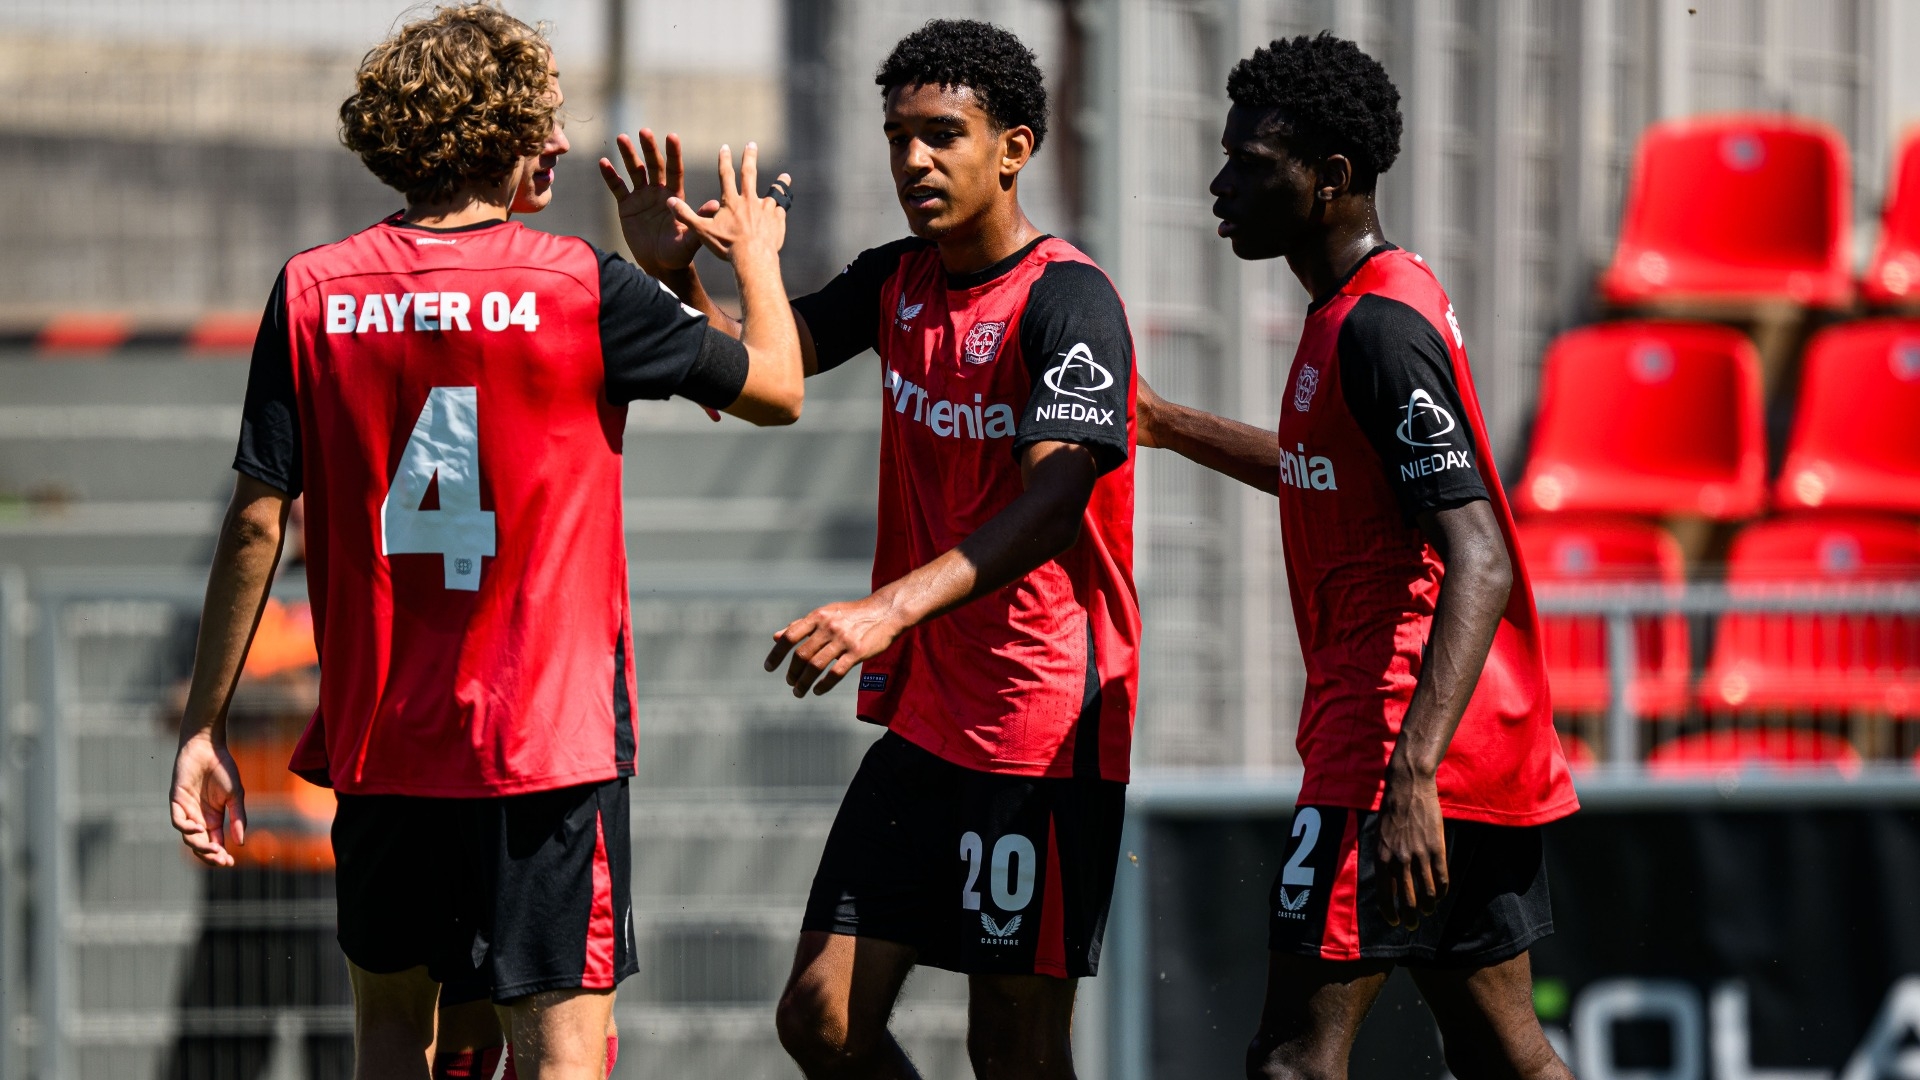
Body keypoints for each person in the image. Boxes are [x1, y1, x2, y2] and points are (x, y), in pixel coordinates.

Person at [165, 5, 803, 1079]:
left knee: (395, 1044)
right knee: (561, 1054)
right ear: (495, 130)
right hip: (547, 748)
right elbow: (778, 389)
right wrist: (753, 259)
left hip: (386, 751)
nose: (558, 144)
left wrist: (203, 726)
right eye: (542, 121)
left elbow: (256, 522)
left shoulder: (313, 290)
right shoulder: (577, 284)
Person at [612, 17, 1137, 1079]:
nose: (914, 160)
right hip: (932, 721)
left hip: (1039, 727)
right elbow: (763, 374)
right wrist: (680, 279)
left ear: (1016, 147)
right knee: (820, 1016)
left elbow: (1056, 503)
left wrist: (887, 608)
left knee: (1016, 1046)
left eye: (943, 134)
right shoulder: (895, 278)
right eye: (899, 136)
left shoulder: (1068, 300)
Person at [1135, 33, 1579, 1080]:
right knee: (1499, 1052)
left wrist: (1411, 774)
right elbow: (1323, 470)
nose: (1220, 183)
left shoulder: (1378, 328)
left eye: (1252, 163)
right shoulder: (1370, 305)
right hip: (1455, 741)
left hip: (1395, 744)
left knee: (1294, 1061)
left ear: (1332, 179)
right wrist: (1162, 422)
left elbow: (1479, 553)